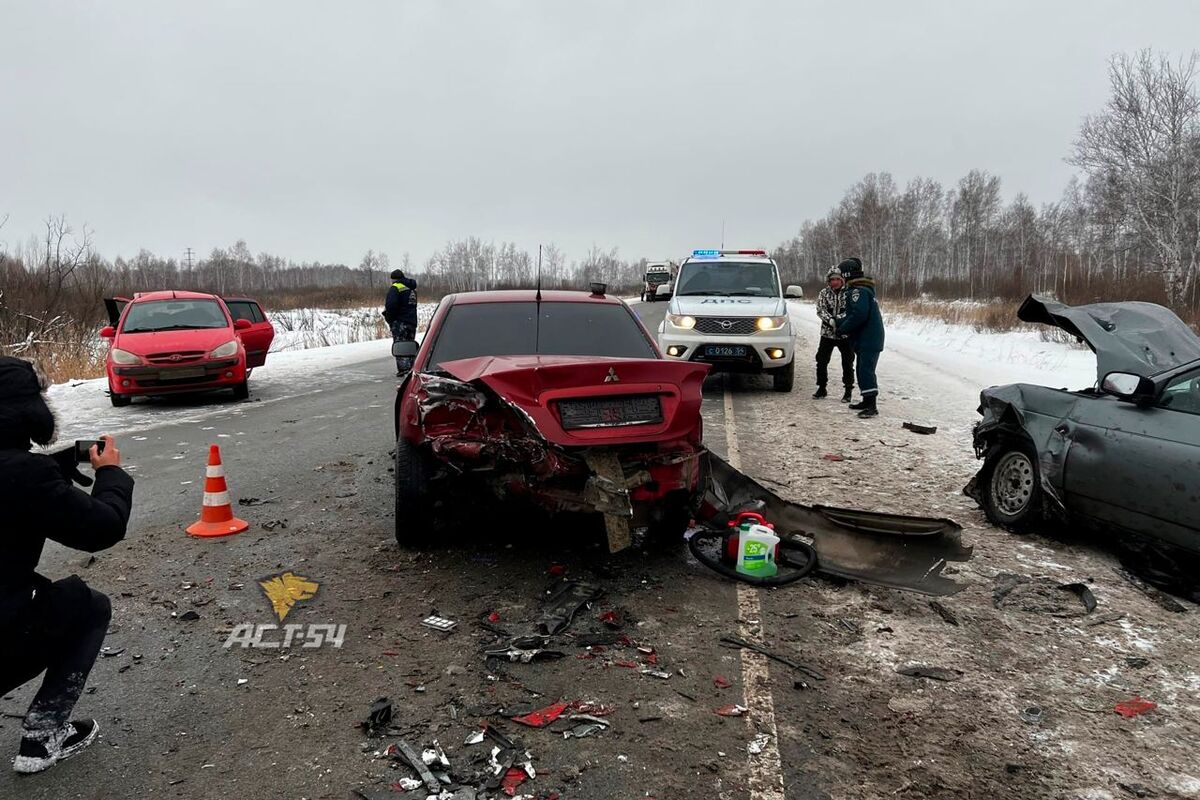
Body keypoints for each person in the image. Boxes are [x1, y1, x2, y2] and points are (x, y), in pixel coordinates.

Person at [0, 357, 134, 774]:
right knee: (89, 605)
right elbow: (101, 529)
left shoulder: (26, 475)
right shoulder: (25, 477)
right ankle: (42, 737)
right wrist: (110, 474)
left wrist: (51, 471)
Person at [834, 257, 885, 419]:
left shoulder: (858, 291)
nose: (840, 277)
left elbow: (859, 315)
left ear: (847, 274)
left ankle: (871, 406)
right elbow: (854, 314)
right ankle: (866, 399)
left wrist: (842, 328)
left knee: (866, 370)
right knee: (863, 369)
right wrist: (839, 321)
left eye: (841, 274)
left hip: (868, 339)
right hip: (866, 338)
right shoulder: (861, 289)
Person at [813, 266, 855, 402]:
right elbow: (820, 309)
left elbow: (852, 310)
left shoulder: (849, 292)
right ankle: (821, 387)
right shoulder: (824, 293)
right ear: (828, 281)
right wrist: (830, 320)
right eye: (832, 279)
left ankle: (848, 390)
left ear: (842, 280)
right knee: (821, 361)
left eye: (838, 279)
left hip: (845, 334)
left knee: (848, 362)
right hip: (827, 334)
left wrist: (839, 320)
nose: (835, 282)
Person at [383, 269, 419, 376]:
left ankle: (404, 369)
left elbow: (391, 306)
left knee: (400, 347)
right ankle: (412, 368)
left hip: (400, 322)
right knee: (409, 345)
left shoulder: (396, 288)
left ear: (393, 279)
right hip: (412, 321)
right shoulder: (412, 289)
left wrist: (389, 319)